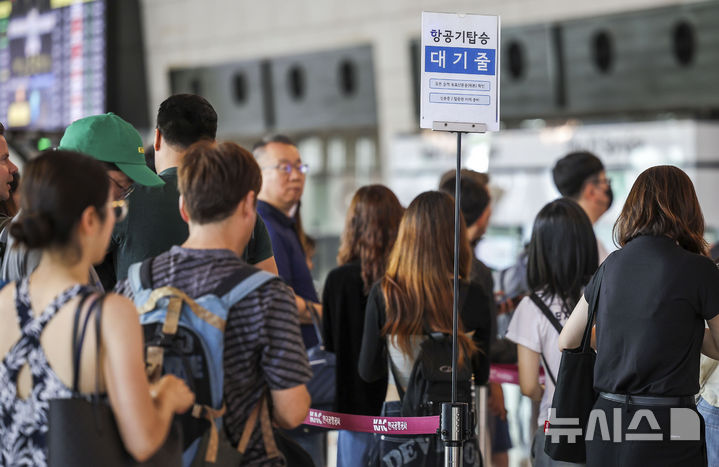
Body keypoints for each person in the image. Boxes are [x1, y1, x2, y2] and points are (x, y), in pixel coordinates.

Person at [117, 141, 312, 465]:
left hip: (157, 455)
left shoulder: (136, 283)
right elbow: (292, 412)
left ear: (184, 208)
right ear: (249, 205)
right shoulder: (267, 294)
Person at [0, 150, 194, 466]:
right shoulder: (108, 314)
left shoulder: (6, 303)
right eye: (115, 208)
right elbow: (143, 441)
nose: (116, 218)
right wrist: (168, 396)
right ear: (90, 220)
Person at [559, 165, 719, 467]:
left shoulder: (611, 265)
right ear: (687, 208)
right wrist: (683, 330)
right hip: (670, 422)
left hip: (606, 419)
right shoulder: (699, 269)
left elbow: (568, 339)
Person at [358, 191, 492, 464]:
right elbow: (482, 372)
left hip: (400, 420)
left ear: (407, 236)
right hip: (456, 422)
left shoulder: (385, 293)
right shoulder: (473, 295)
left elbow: (368, 371)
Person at [110, 94, 277, 286]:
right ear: (213, 146)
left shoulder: (125, 200)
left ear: (157, 138)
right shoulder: (242, 209)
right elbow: (271, 286)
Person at [1, 113, 163, 287]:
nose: (120, 199)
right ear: (84, 173)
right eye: (121, 186)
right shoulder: (45, 243)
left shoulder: (61, 231)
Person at [505, 198, 598, 467]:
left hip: (556, 428)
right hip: (605, 425)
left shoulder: (531, 306)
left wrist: (552, 393)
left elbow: (528, 385)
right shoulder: (603, 295)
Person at [253, 134, 325, 464]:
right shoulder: (265, 225)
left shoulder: (283, 224)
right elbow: (279, 302)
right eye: (284, 167)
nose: (296, 175)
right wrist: (332, 316)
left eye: (300, 166)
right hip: (289, 373)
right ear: (258, 174)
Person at [322, 184, 403, 467]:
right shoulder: (404, 281)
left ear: (352, 226)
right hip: (401, 411)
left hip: (353, 410)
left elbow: (330, 344)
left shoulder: (337, 280)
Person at [439, 169, 512, 467]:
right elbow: (486, 343)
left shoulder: (431, 264)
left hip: (437, 387)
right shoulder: (474, 269)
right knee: (490, 452)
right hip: (472, 387)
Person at [552, 151, 613, 263]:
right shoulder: (588, 245)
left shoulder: (556, 238)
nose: (608, 187)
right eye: (605, 181)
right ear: (591, 190)